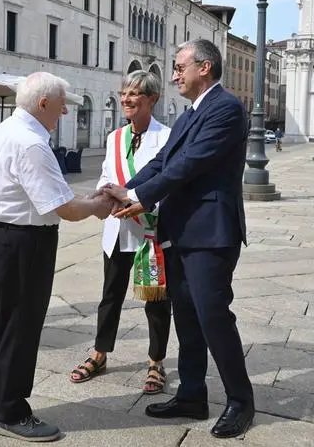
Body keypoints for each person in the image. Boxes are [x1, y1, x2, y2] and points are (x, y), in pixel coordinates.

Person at [103, 39, 255, 439]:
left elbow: (191, 164)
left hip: (210, 233)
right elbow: (163, 161)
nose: (173, 75)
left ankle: (241, 400)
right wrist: (122, 189)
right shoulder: (190, 115)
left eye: (179, 66)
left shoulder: (226, 109)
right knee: (186, 316)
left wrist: (137, 197)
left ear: (204, 68)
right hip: (181, 230)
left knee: (213, 317)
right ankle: (192, 394)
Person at [0, 71, 115, 442]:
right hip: (23, 243)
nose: (65, 111)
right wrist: (99, 206)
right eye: (62, 104)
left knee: (5, 325)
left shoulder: (5, 131)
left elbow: (52, 199)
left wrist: (91, 202)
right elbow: (62, 207)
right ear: (43, 103)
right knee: (21, 327)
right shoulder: (32, 143)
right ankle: (12, 411)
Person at [68, 70, 173, 395]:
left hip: (150, 233)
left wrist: (137, 201)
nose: (126, 99)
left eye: (134, 94)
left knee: (156, 301)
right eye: (124, 93)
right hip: (116, 229)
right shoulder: (115, 138)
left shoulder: (167, 137)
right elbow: (104, 176)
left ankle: (156, 361)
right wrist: (105, 194)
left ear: (152, 99)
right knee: (109, 295)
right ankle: (100, 353)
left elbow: (170, 184)